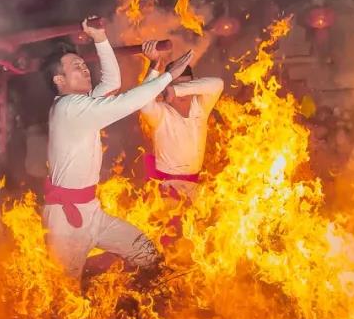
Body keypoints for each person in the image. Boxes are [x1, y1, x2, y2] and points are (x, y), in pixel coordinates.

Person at [43, 18, 193, 280]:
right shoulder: (68, 109)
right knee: (64, 299)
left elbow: (112, 82)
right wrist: (169, 75)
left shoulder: (83, 103)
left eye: (83, 64)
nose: (85, 69)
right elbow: (127, 102)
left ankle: (149, 307)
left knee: (146, 253)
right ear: (59, 79)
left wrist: (102, 39)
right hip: (66, 223)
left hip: (91, 211)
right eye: (76, 67)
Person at [139, 41, 224, 201]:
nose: (183, 94)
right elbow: (143, 102)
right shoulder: (161, 113)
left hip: (196, 189)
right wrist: (154, 65)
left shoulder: (201, 108)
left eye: (188, 85)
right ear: (165, 87)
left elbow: (218, 84)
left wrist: (177, 89)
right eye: (175, 85)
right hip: (166, 192)